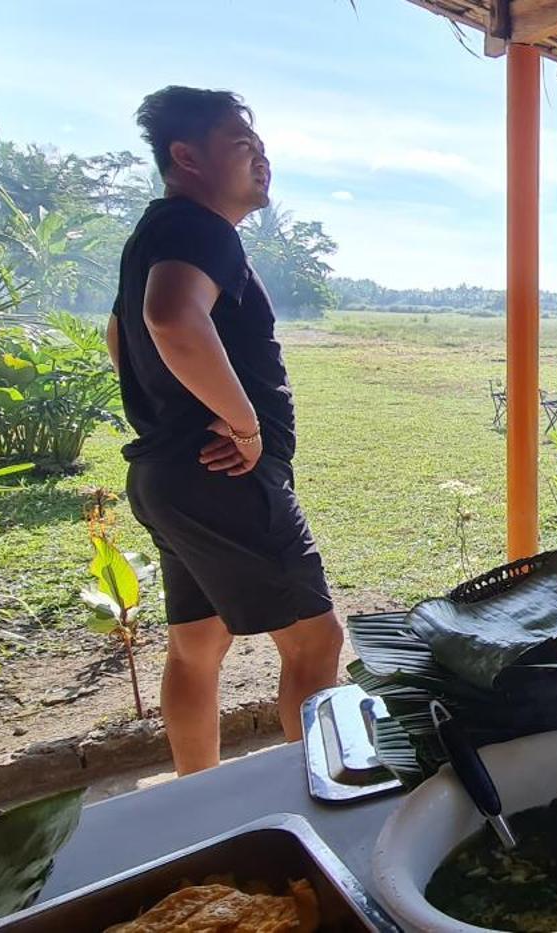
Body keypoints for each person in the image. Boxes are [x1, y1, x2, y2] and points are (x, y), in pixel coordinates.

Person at [107, 86, 342, 774]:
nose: (261, 158)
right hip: (223, 475)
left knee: (197, 644)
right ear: (187, 156)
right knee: (314, 643)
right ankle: (321, 806)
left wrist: (166, 412)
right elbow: (172, 317)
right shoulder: (200, 227)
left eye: (261, 145)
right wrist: (244, 425)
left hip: (168, 475)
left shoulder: (155, 232)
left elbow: (118, 333)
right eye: (242, 144)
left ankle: (196, 804)